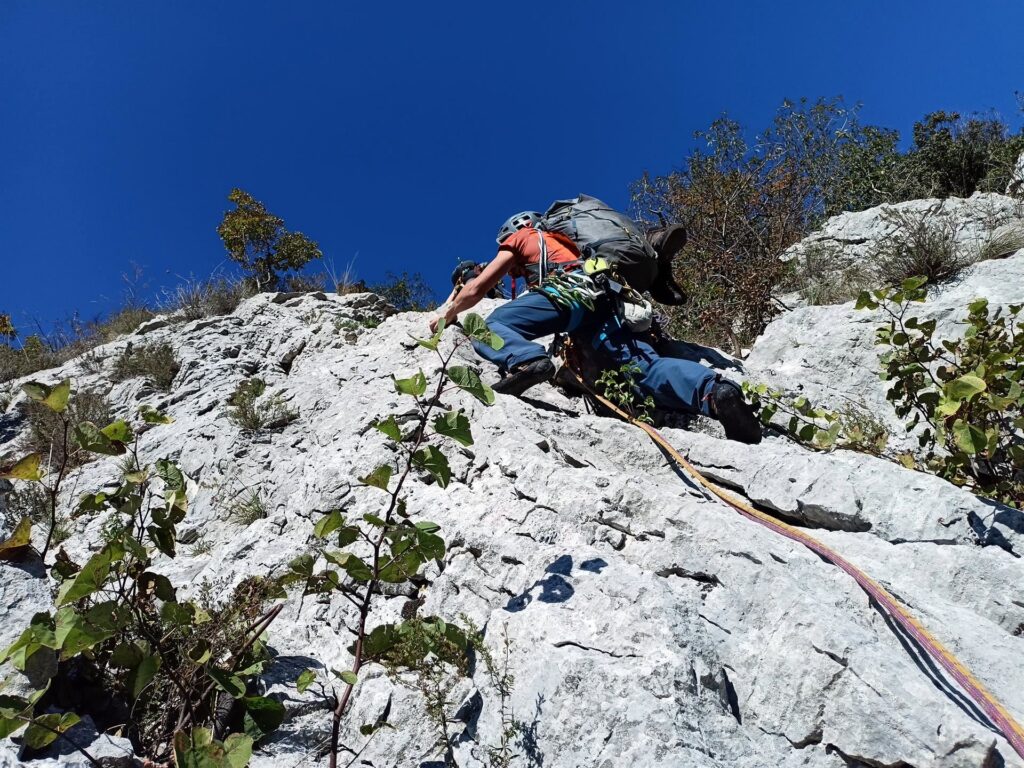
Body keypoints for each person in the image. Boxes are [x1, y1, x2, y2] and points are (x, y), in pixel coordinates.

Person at [429, 211, 761, 444]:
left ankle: (528, 360)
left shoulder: (522, 238)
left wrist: (448, 314)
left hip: (568, 292)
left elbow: (476, 289)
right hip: (606, 300)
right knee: (643, 370)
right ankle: (715, 393)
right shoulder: (572, 243)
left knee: (492, 324)